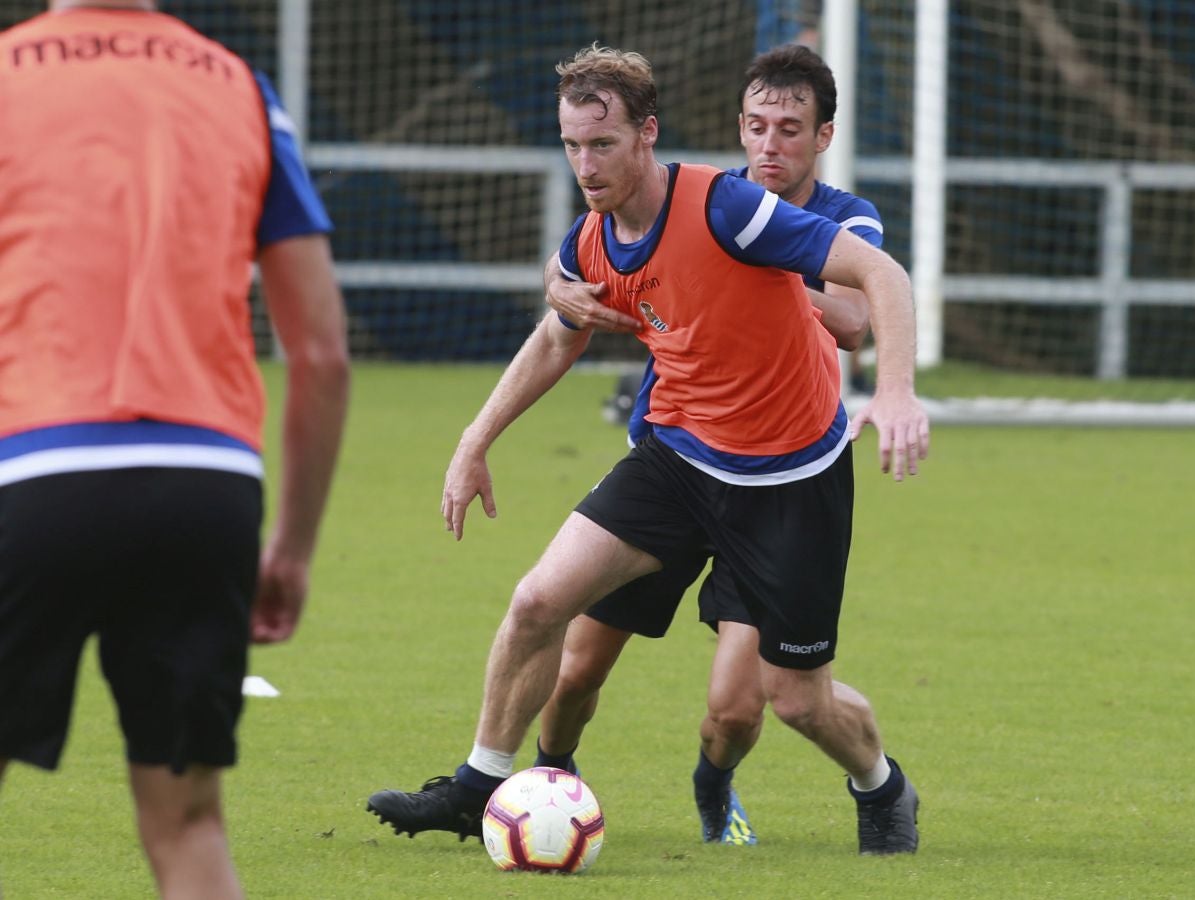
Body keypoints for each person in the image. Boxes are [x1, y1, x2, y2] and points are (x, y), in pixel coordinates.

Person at [367, 43, 928, 856]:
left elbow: (878, 279)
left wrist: (900, 392)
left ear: (646, 135)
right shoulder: (590, 240)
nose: (585, 165)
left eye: (601, 144)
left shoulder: (730, 208)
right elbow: (556, 339)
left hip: (788, 481)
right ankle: (479, 786)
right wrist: (474, 439)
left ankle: (882, 786)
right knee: (537, 606)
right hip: (674, 459)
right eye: (571, 145)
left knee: (794, 701)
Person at [0, 3, 350, 897]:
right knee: (190, 825)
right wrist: (296, 550)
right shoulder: (239, 87)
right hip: (207, 485)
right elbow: (320, 352)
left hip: (36, 472)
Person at [530, 44, 884, 846]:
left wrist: (758, 261)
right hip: (677, 464)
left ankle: (716, 785)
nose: (769, 146)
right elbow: (594, 265)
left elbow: (858, 321)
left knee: (741, 708)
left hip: (779, 485)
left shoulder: (839, 219)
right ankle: (546, 786)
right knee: (577, 660)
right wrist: (557, 282)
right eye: (756, 126)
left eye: (789, 130)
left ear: (822, 138)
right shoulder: (710, 205)